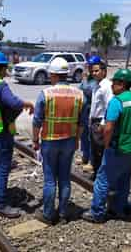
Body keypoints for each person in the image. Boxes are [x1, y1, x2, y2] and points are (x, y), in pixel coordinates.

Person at [83, 69, 131, 223]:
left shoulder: (117, 101)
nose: (112, 86)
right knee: (123, 180)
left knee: (102, 180)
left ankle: (97, 213)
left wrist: (106, 143)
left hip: (117, 146)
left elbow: (109, 127)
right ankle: (118, 209)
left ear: (122, 84)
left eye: (115, 82)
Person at [32, 57, 87, 225]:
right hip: (69, 142)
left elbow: (37, 121)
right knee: (64, 178)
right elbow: (82, 122)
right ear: (67, 74)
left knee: (49, 180)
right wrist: (77, 139)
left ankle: (48, 215)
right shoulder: (80, 95)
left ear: (54, 75)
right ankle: (63, 213)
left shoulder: (46, 94)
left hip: (50, 142)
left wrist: (35, 140)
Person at [0, 51, 34, 218]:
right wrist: (27, 103)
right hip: (3, 131)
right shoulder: (0, 85)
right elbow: (13, 102)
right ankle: (2, 205)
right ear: (3, 68)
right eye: (5, 67)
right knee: (3, 168)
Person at [89, 60, 113, 180]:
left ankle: (101, 176)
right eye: (92, 71)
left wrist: (103, 123)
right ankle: (96, 173)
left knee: (100, 150)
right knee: (94, 149)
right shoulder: (96, 85)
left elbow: (109, 106)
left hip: (100, 122)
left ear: (104, 72)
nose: (94, 73)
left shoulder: (106, 86)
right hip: (94, 121)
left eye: (96, 70)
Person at [77, 56, 99, 170]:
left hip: (92, 111)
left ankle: (91, 160)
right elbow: (80, 88)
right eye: (88, 66)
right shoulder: (88, 79)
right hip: (84, 111)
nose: (89, 69)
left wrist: (84, 80)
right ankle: (84, 156)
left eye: (91, 66)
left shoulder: (96, 80)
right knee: (83, 136)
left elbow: (89, 91)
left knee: (91, 138)